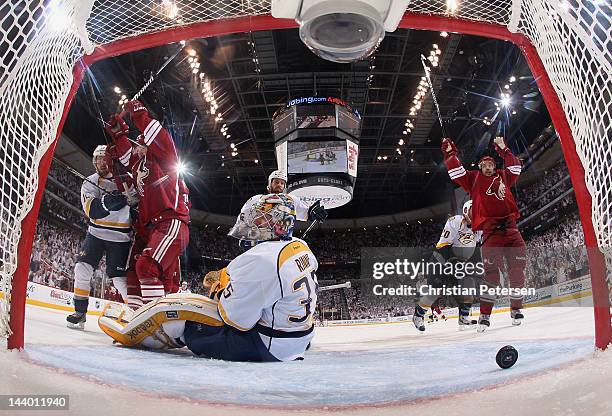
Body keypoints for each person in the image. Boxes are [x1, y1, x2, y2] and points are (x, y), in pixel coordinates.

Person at [98, 194, 318, 362]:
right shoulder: (301, 247)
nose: (252, 224)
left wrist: (219, 288)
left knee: (178, 306)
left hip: (266, 346)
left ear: (277, 225)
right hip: (298, 341)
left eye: (259, 220)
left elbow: (237, 320)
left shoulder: (262, 259)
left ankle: (134, 334)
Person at [105, 100, 190, 309]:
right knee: (133, 271)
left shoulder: (166, 159)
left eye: (140, 145)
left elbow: (159, 137)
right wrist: (118, 134)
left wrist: (138, 114)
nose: (137, 149)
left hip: (170, 222)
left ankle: (155, 322)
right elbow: (125, 157)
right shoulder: (139, 165)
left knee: (147, 267)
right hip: (150, 227)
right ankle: (138, 318)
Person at [441, 136, 526, 332]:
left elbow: (516, 168)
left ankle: (516, 309)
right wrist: (450, 153)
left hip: (512, 230)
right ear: (480, 167)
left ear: (494, 165)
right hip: (491, 233)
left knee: (517, 272)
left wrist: (505, 151)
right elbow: (455, 172)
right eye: (484, 164)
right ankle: (485, 315)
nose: (487, 166)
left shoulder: (504, 176)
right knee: (492, 277)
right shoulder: (473, 179)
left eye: (490, 163)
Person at [66, 145, 131, 329]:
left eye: (103, 158)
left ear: (111, 160)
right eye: (97, 158)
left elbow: (137, 205)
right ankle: (80, 313)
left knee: (119, 279)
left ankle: (136, 314)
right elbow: (91, 210)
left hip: (120, 237)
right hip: (95, 232)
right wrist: (109, 202)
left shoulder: (127, 181)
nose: (100, 162)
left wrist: (132, 204)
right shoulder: (90, 181)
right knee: (81, 269)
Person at [413, 200, 482, 331]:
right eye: (474, 210)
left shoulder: (478, 229)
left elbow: (476, 247)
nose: (477, 213)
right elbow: (444, 245)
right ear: (466, 210)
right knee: (434, 290)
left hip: (459, 263)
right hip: (442, 259)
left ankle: (463, 318)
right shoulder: (456, 221)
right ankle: (418, 315)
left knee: (468, 285)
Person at [234, 170, 327, 248]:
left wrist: (314, 212)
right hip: (259, 242)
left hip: (282, 244)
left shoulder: (290, 199)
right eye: (276, 182)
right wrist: (244, 234)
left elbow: (307, 213)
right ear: (269, 184)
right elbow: (242, 219)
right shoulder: (256, 199)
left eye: (282, 183)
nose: (279, 185)